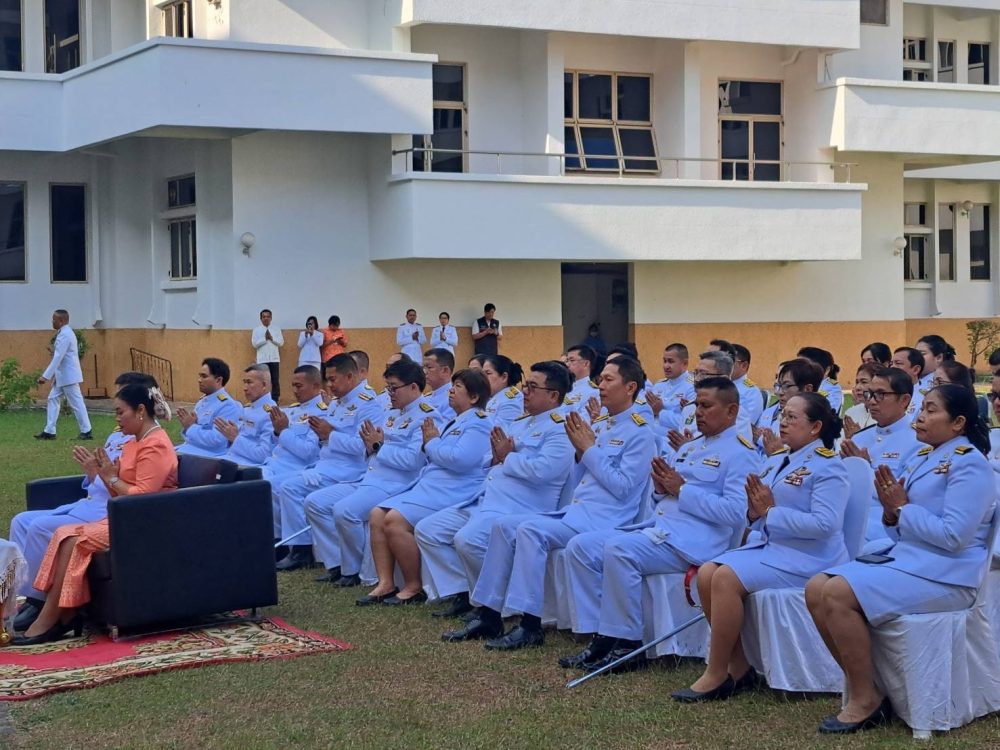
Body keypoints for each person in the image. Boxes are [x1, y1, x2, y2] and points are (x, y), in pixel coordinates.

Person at [806, 385, 994, 734]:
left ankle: (865, 700)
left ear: (958, 423)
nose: (920, 416)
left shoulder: (970, 464)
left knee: (836, 593)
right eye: (922, 408)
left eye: (931, 410)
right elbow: (902, 531)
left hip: (947, 575)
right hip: (912, 561)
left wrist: (902, 509)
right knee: (816, 587)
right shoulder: (923, 456)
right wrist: (893, 516)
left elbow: (954, 537)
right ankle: (867, 686)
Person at [452, 356, 656, 649]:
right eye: (601, 379)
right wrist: (582, 453)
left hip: (606, 520)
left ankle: (530, 624)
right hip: (577, 512)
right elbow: (580, 477)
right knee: (504, 527)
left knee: (529, 530)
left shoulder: (641, 432)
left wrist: (588, 450)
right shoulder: (600, 425)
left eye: (609, 380)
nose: (600, 385)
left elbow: (623, 488)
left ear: (630, 387)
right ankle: (490, 613)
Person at [559, 377, 761, 671]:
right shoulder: (691, 447)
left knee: (619, 550)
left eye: (706, 406)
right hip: (662, 530)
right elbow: (664, 498)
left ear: (731, 411)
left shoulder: (742, 454)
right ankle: (599, 636)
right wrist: (660, 489)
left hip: (695, 542)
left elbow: (734, 513)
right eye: (697, 405)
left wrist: (681, 490)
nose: (698, 412)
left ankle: (628, 644)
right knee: (581, 546)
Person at [673, 392, 848, 702]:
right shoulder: (777, 459)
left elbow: (825, 525)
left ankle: (716, 672)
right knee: (707, 573)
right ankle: (738, 665)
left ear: (815, 427)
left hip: (808, 558)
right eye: (783, 414)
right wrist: (755, 514)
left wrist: (769, 512)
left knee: (725, 577)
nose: (783, 422)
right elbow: (754, 514)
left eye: (792, 417)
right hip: (773, 549)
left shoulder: (828, 466)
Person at [13, 383, 177, 645]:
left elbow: (143, 498)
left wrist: (111, 478)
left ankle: (52, 619)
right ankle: (62, 614)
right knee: (64, 535)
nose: (117, 418)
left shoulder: (155, 445)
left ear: (140, 411)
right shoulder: (135, 442)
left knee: (73, 540)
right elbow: (119, 491)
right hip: (123, 516)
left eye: (120, 412)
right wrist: (104, 475)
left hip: (145, 521)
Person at [416, 361, 574, 622]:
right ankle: (466, 592)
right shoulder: (521, 423)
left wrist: (508, 457)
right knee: (428, 530)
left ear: (553, 395)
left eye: (532, 387)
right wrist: (498, 457)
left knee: (468, 540)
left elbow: (543, 471)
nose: (524, 392)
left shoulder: (560, 429)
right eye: (525, 385)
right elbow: (486, 459)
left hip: (520, 505)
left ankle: (497, 604)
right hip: (486, 498)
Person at [306, 359, 442, 588]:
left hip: (397, 484)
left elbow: (413, 461)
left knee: (345, 510)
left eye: (394, 388)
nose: (389, 394)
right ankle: (339, 563)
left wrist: (378, 447)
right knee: (316, 502)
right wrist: (371, 447)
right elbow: (368, 448)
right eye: (388, 388)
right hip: (369, 477)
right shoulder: (391, 413)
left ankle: (354, 570)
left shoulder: (427, 417)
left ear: (413, 387)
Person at [362, 368, 493, 605]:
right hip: (432, 486)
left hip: (454, 490)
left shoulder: (479, 423)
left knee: (394, 520)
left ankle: (413, 585)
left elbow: (460, 460)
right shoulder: (457, 420)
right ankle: (386, 582)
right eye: (452, 385)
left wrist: (431, 444)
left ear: (474, 397)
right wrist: (433, 445)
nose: (451, 391)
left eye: (458, 387)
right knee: (377, 515)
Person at [274, 353, 383, 572]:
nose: (330, 385)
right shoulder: (335, 404)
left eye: (333, 379)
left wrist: (329, 435)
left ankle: (305, 551)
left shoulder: (368, 405)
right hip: (326, 466)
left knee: (291, 488)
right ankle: (327, 558)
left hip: (350, 471)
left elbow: (363, 447)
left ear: (349, 376)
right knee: (285, 486)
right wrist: (324, 436)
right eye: (328, 379)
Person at [840, 367, 921, 545]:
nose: (871, 401)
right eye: (869, 394)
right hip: (847, 520)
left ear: (904, 400)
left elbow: (904, 495)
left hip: (883, 529)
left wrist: (865, 469)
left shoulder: (918, 440)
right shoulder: (859, 437)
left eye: (880, 395)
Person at [261, 366, 328, 548]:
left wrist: (283, 431)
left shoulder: (321, 413)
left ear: (316, 386)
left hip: (297, 468)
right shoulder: (292, 410)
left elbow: (308, 452)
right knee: (248, 478)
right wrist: (277, 431)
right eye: (293, 386)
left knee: (270, 486)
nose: (295, 391)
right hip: (275, 464)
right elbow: (274, 446)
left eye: (299, 386)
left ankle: (282, 542)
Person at [35, 309, 92, 441]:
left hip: (68, 376)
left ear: (61, 321)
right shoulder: (64, 333)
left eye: (54, 320)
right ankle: (49, 431)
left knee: (76, 403)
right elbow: (61, 354)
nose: (52, 322)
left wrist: (46, 376)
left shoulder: (65, 334)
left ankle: (86, 430)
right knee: (52, 398)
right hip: (63, 376)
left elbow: (58, 357)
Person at [754, 358, 825, 456]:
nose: (779, 392)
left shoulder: (817, 423)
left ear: (807, 389)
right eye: (779, 386)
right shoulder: (776, 412)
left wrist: (776, 452)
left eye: (787, 386)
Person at [174, 358, 242, 458]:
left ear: (218, 380)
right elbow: (190, 437)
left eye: (204, 376)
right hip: (190, 450)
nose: (199, 380)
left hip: (207, 457)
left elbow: (218, 440)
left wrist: (191, 427)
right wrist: (189, 427)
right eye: (200, 376)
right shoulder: (202, 402)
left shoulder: (227, 405)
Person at [216, 364, 277, 467]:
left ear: (264, 385)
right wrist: (230, 435)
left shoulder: (271, 413)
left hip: (248, 467)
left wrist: (235, 438)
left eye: (249, 382)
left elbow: (264, 455)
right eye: (244, 382)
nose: (244, 388)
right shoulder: (248, 408)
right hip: (231, 459)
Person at [645, 343, 695, 434]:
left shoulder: (692, 388)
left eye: (671, 361)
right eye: (664, 361)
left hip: (671, 440)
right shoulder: (658, 385)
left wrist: (660, 411)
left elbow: (688, 423)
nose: (666, 366)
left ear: (685, 363)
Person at [481, 354, 525, 429]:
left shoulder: (511, 401)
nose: (482, 378)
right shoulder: (495, 396)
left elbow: (501, 432)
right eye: (482, 374)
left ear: (504, 377)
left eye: (488, 373)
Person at [798, 346, 843, 415]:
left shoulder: (833, 388)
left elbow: (828, 412)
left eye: (806, 366)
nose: (799, 369)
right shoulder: (795, 382)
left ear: (827, 370)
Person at [251, 309, 284, 402]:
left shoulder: (276, 329)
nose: (266, 318)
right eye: (264, 317)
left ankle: (275, 401)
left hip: (274, 359)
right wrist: (264, 339)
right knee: (263, 381)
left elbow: (281, 342)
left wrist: (272, 338)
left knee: (275, 381)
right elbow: (254, 344)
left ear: (271, 318)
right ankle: (263, 401)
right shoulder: (256, 330)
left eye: (268, 317)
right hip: (262, 360)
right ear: (261, 318)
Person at [562, 344, 601, 419]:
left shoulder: (594, 393)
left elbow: (584, 420)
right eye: (567, 361)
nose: (567, 364)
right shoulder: (563, 388)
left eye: (572, 360)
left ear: (586, 363)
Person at [842, 363, 878, 438]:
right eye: (857, 382)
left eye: (864, 382)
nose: (858, 387)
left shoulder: (886, 415)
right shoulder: (851, 412)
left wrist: (858, 437)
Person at [890, 346, 925, 419]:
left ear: (916, 370)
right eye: (891, 363)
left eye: (898, 363)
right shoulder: (886, 393)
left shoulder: (925, 398)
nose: (892, 367)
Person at [422, 348, 456, 421]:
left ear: (445, 370)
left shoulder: (453, 399)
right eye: (423, 367)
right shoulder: (425, 397)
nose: (424, 371)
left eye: (429, 367)